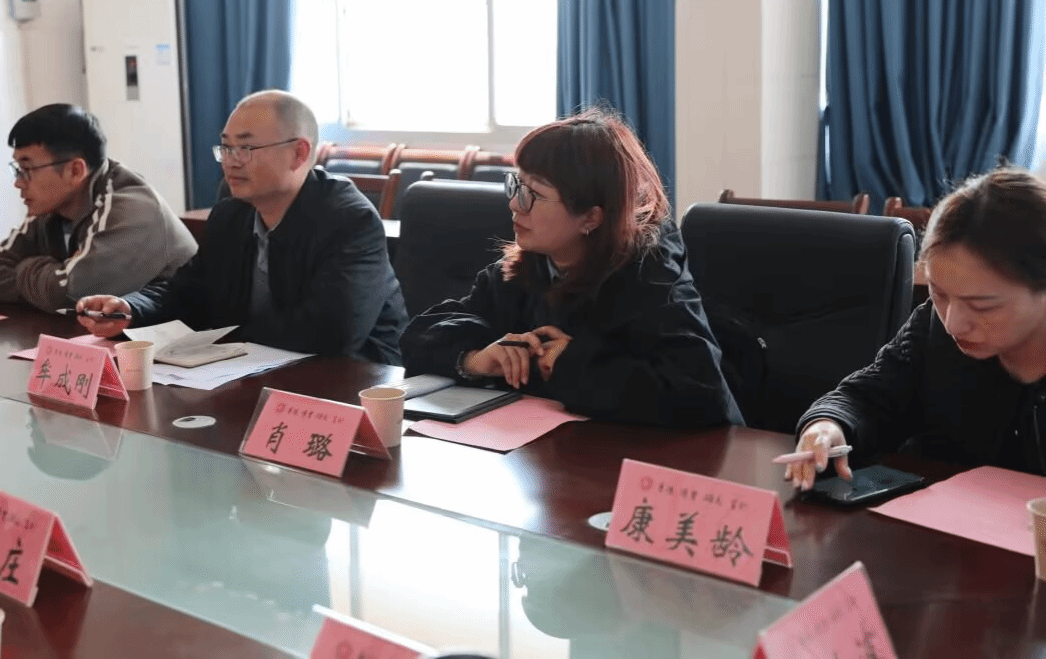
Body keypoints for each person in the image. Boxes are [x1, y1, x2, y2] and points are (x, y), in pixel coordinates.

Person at [400, 109, 743, 427]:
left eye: (534, 194)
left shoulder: (649, 273)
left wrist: (570, 362)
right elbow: (418, 337)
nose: (514, 204)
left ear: (590, 218)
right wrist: (475, 359)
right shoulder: (528, 263)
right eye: (516, 185)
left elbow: (700, 392)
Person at [76, 90, 407, 364]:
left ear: (298, 153)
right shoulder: (231, 214)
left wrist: (225, 334)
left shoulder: (349, 220)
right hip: (252, 367)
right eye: (226, 148)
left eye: (246, 148)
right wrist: (131, 307)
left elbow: (333, 331)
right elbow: (189, 291)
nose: (231, 161)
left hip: (353, 378)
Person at [787, 169, 1046, 489]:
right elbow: (868, 398)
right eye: (939, 294)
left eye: (982, 306)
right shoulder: (932, 327)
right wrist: (828, 427)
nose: (953, 323)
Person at [0, 103, 197, 312]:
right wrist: (55, 272)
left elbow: (72, 294)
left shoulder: (131, 209)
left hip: (175, 337)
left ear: (75, 171)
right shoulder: (50, 209)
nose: (18, 183)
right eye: (17, 170)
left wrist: (26, 266)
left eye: (27, 170)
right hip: (101, 336)